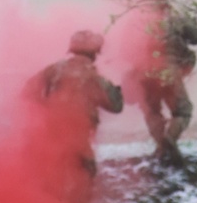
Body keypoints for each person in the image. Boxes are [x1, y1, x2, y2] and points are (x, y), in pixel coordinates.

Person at [26, 30, 124, 177]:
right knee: (85, 173)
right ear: (95, 53)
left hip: (52, 134)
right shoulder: (94, 77)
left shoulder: (54, 70)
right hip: (79, 138)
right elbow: (116, 106)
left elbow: (27, 92)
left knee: (51, 172)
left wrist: (46, 107)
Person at [137, 0, 197, 166]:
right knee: (182, 110)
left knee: (152, 111)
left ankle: (161, 147)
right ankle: (169, 140)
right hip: (169, 70)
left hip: (143, 72)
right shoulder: (174, 17)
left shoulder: (134, 19)